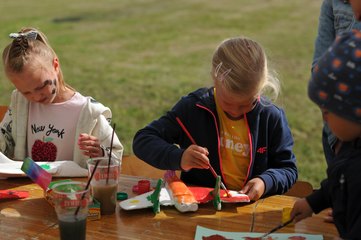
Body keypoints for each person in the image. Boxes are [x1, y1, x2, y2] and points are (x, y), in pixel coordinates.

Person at [133, 36, 298, 201]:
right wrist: (180, 157)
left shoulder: (271, 117)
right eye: (227, 102)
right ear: (214, 79)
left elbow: (288, 169)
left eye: (248, 103)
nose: (236, 111)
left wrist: (265, 181)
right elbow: (143, 140)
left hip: (251, 213)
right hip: (196, 209)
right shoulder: (193, 109)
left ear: (261, 89)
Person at [0, 27, 123, 168]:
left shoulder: (89, 113)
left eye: (40, 87)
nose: (35, 96)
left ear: (55, 65)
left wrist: (99, 153)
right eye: (25, 92)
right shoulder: (20, 104)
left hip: (71, 188)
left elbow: (116, 160)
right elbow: (4, 141)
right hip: (30, 188)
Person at [291, 30, 361, 238]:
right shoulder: (351, 143)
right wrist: (314, 201)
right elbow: (339, 180)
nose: (324, 120)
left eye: (327, 112)